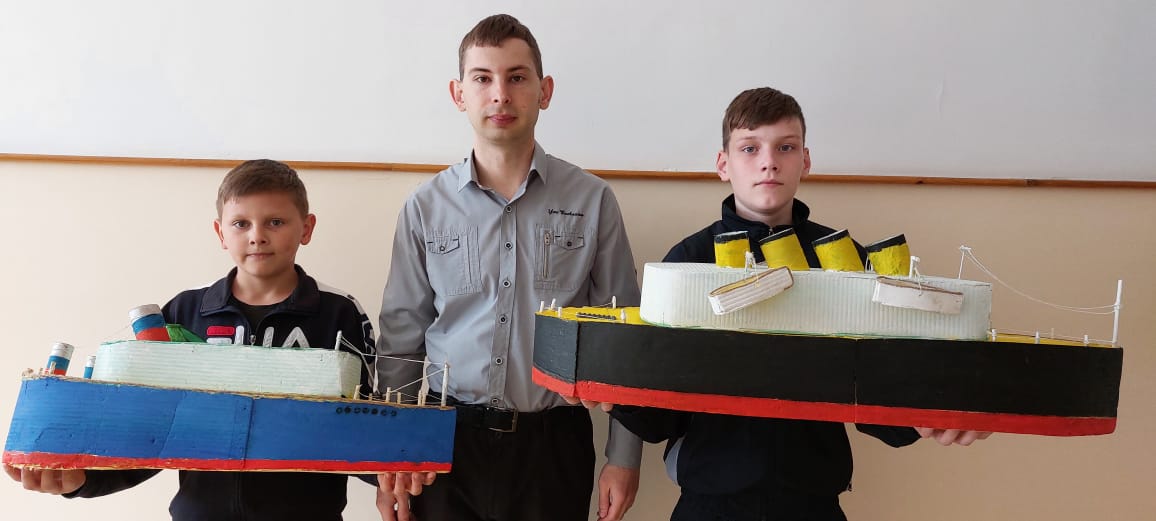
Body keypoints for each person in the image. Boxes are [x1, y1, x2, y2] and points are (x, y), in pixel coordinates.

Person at [601, 87, 990, 521]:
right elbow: (661, 416)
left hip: (813, 502)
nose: (769, 162)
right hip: (709, 501)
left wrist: (925, 415)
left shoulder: (847, 261)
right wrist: (617, 398)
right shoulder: (685, 263)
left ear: (805, 160)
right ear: (723, 164)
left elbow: (876, 392)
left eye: (785, 147)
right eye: (750, 148)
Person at [373, 13, 643, 521]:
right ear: (459, 94)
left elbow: (623, 336)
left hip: (553, 445)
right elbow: (401, 338)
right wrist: (392, 454)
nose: (500, 94)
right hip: (445, 440)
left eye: (517, 77)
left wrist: (624, 457)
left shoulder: (592, 200)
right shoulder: (425, 207)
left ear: (545, 91)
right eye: (483, 78)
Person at [4, 159, 376, 521]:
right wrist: (84, 480)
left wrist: (395, 478)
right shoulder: (184, 310)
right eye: (241, 223)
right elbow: (153, 431)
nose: (257, 235)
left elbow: (365, 429)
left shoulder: (340, 312)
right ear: (220, 233)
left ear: (306, 228)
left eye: (275, 222)